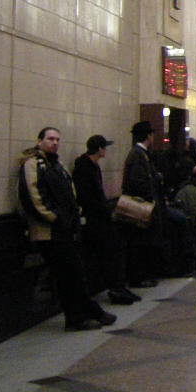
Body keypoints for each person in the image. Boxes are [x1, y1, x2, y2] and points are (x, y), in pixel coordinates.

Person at [18, 128, 116, 331]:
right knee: (66, 275)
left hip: (65, 228)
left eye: (57, 139)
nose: (54, 143)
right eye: (50, 139)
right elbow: (33, 197)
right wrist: (55, 218)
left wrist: (74, 214)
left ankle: (88, 311)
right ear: (39, 141)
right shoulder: (33, 165)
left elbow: (70, 192)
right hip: (48, 231)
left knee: (76, 272)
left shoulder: (58, 165)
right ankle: (76, 317)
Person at [72, 135, 138, 306]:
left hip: (97, 216)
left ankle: (117, 287)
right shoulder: (85, 168)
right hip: (94, 219)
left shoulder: (90, 166)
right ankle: (116, 288)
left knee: (114, 249)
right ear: (100, 149)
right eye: (104, 147)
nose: (105, 151)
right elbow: (88, 196)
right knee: (114, 249)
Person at [121, 120, 164, 288]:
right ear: (148, 135)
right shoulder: (138, 155)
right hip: (141, 208)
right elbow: (139, 183)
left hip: (143, 205)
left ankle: (141, 275)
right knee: (140, 243)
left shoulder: (139, 154)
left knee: (142, 243)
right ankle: (138, 277)